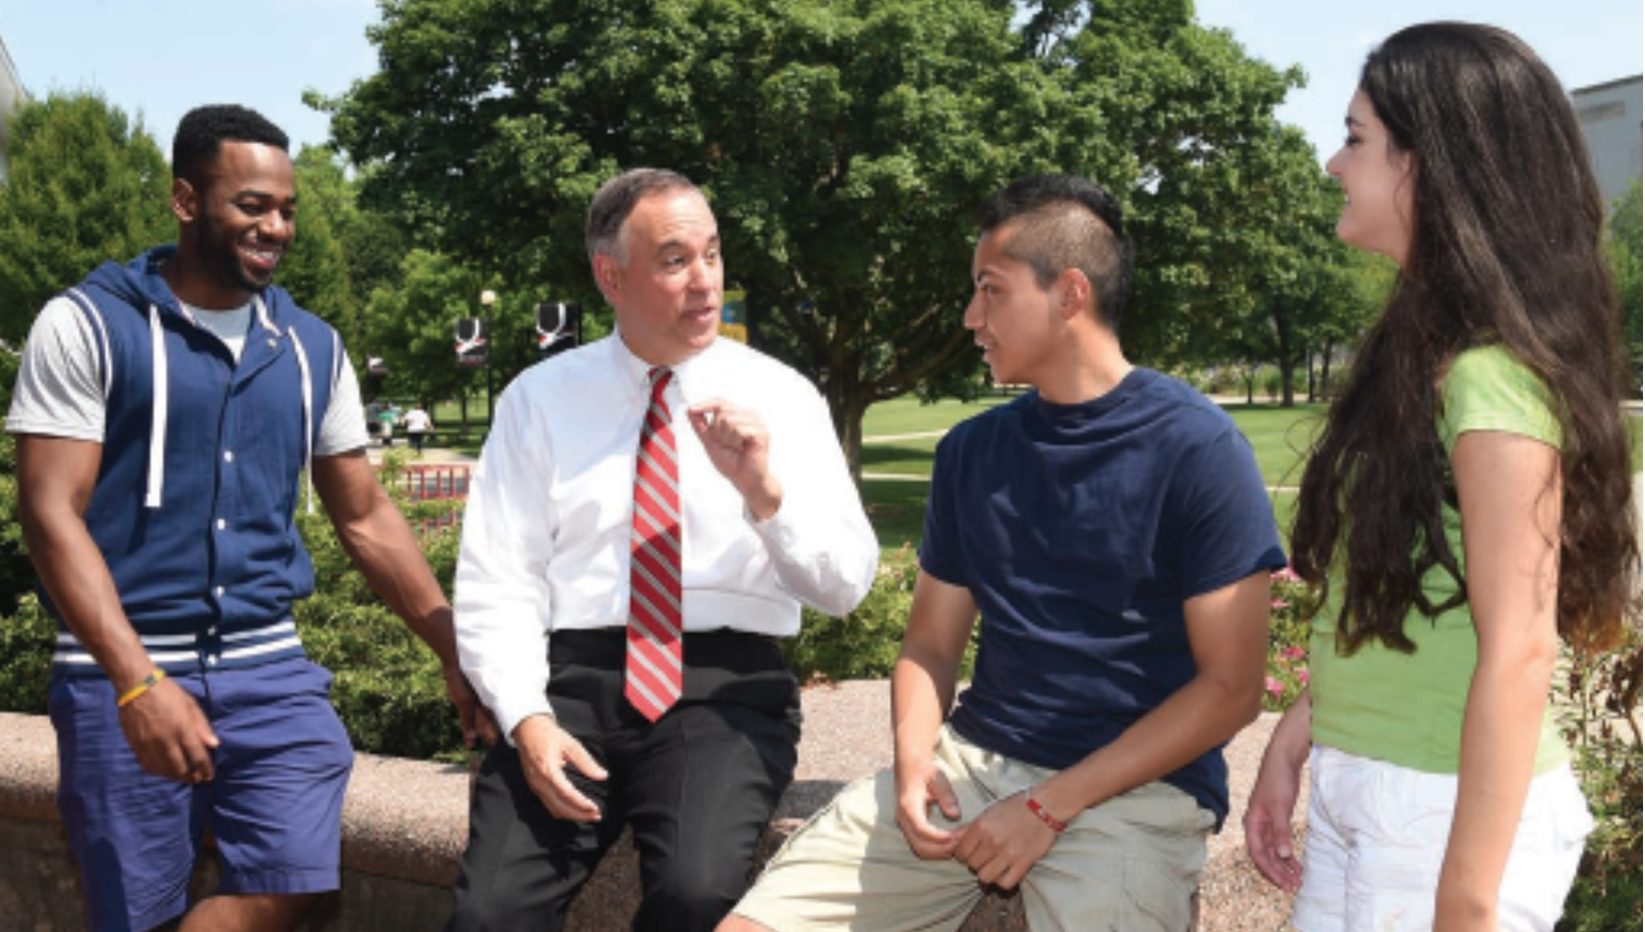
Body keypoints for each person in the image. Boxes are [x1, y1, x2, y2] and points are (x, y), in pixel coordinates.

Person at [721, 174, 1286, 932]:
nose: (969, 316)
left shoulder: (1198, 448)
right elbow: (927, 645)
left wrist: (1048, 807)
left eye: (990, 290)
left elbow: (1230, 688)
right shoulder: (972, 451)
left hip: (1136, 791)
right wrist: (914, 759)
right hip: (973, 767)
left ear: (1070, 293)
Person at [6, 104, 484, 932]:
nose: (276, 226)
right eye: (251, 205)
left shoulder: (311, 346)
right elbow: (51, 515)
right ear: (186, 201)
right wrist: (137, 682)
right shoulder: (85, 323)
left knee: (300, 882)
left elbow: (364, 515)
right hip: (118, 667)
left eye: (287, 209)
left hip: (271, 672)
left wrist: (453, 651)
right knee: (133, 912)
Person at [1243, 23, 1639, 932]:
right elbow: (1395, 590)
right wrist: (1299, 736)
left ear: (1431, 164)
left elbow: (1520, 646)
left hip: (1442, 811)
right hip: (1375, 786)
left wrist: (1466, 896)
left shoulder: (1489, 378)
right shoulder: (1420, 356)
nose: (1333, 164)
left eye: (1353, 137)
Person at [447, 168, 878, 931]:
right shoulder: (538, 401)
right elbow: (498, 581)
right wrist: (527, 719)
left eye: (712, 254)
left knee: (695, 894)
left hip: (724, 689)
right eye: (675, 260)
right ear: (611, 276)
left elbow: (845, 586)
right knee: (489, 913)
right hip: (571, 684)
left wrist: (762, 493)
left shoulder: (782, 397)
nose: (704, 281)